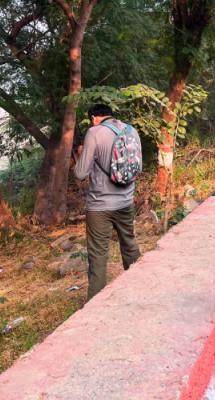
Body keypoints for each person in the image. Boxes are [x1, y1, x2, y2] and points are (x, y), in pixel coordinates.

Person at [75, 104, 142, 301]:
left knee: (98, 255)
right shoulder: (132, 131)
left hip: (100, 204)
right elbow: (138, 167)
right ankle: (140, 288)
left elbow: (80, 173)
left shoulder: (94, 132)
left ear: (94, 118)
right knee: (129, 243)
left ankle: (96, 305)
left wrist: (81, 153)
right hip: (125, 201)